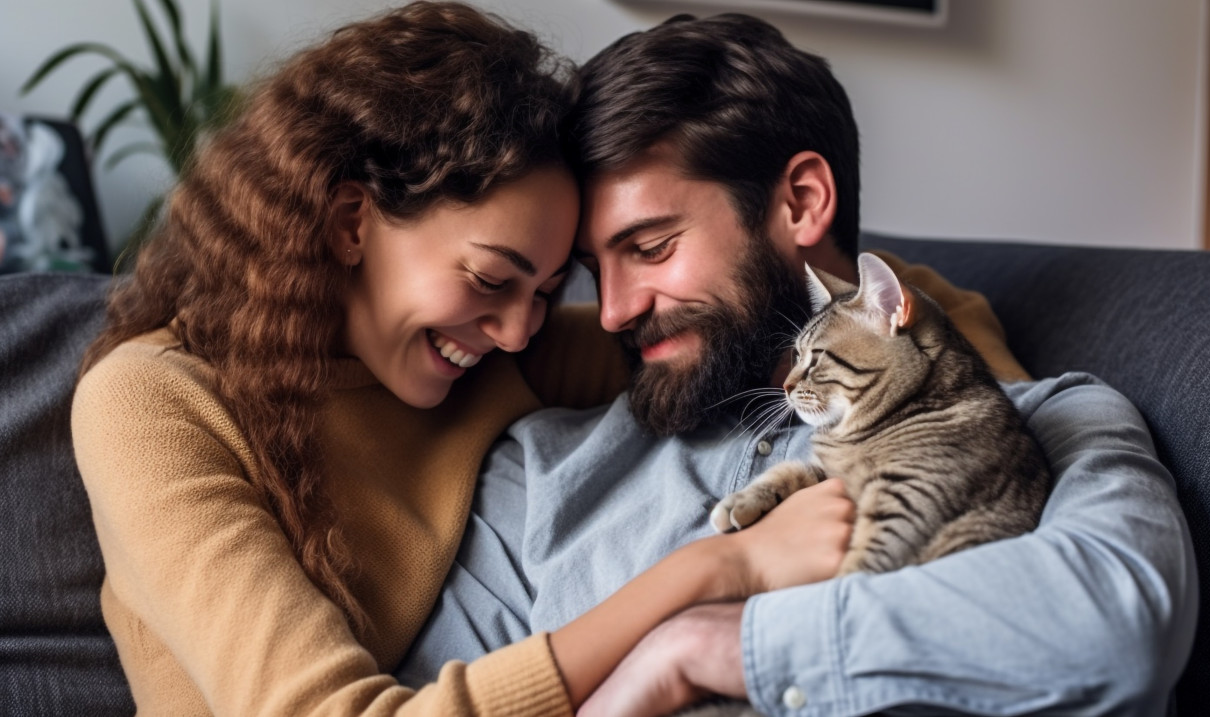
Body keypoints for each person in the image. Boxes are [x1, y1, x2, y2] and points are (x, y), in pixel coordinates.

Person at [397, 12, 1199, 717]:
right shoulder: (535, 473)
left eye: (649, 248)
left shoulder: (1047, 425)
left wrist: (701, 650)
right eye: (589, 270)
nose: (612, 311)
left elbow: (1121, 628)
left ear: (803, 203)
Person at [70, 4, 860, 715]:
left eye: (550, 290)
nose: (519, 331)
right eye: (490, 278)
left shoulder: (489, 354)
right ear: (352, 222)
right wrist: (717, 570)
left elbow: (758, 316)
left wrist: (928, 328)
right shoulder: (149, 403)